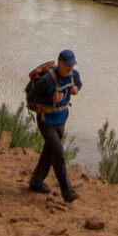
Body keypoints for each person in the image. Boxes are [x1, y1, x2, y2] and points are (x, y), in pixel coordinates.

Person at [27, 48, 82, 202]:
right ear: (59, 63)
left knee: (49, 152)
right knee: (58, 153)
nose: (70, 69)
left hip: (62, 119)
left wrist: (76, 89)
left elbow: (79, 84)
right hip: (46, 121)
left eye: (72, 65)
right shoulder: (47, 80)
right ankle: (67, 192)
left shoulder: (74, 75)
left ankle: (36, 182)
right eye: (67, 66)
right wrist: (50, 99)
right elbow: (32, 98)